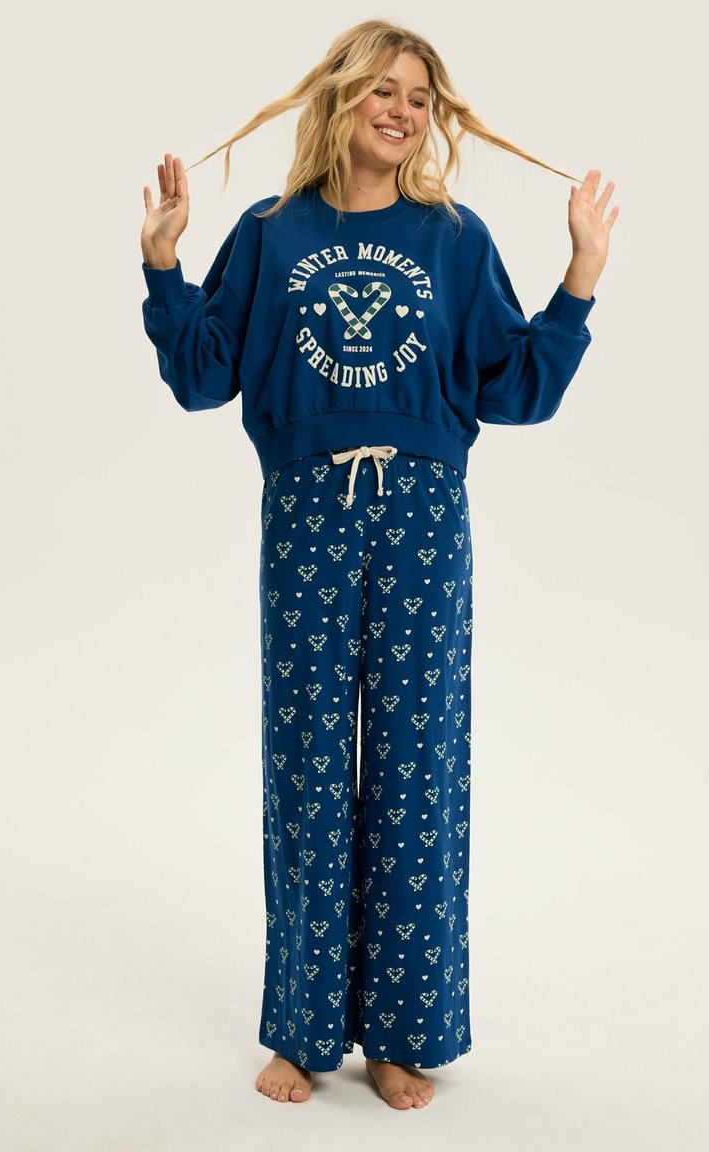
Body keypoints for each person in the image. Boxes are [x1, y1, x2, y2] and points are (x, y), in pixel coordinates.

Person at [140, 18, 618, 1111]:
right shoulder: (271, 232)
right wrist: (164, 261)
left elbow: (515, 388)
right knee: (308, 763)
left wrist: (580, 278)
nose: (402, 111)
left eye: (419, 97)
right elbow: (203, 375)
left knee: (416, 765)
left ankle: (403, 1032)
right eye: (383, 91)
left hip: (423, 516)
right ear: (341, 99)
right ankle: (305, 1030)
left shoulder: (453, 238)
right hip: (306, 509)